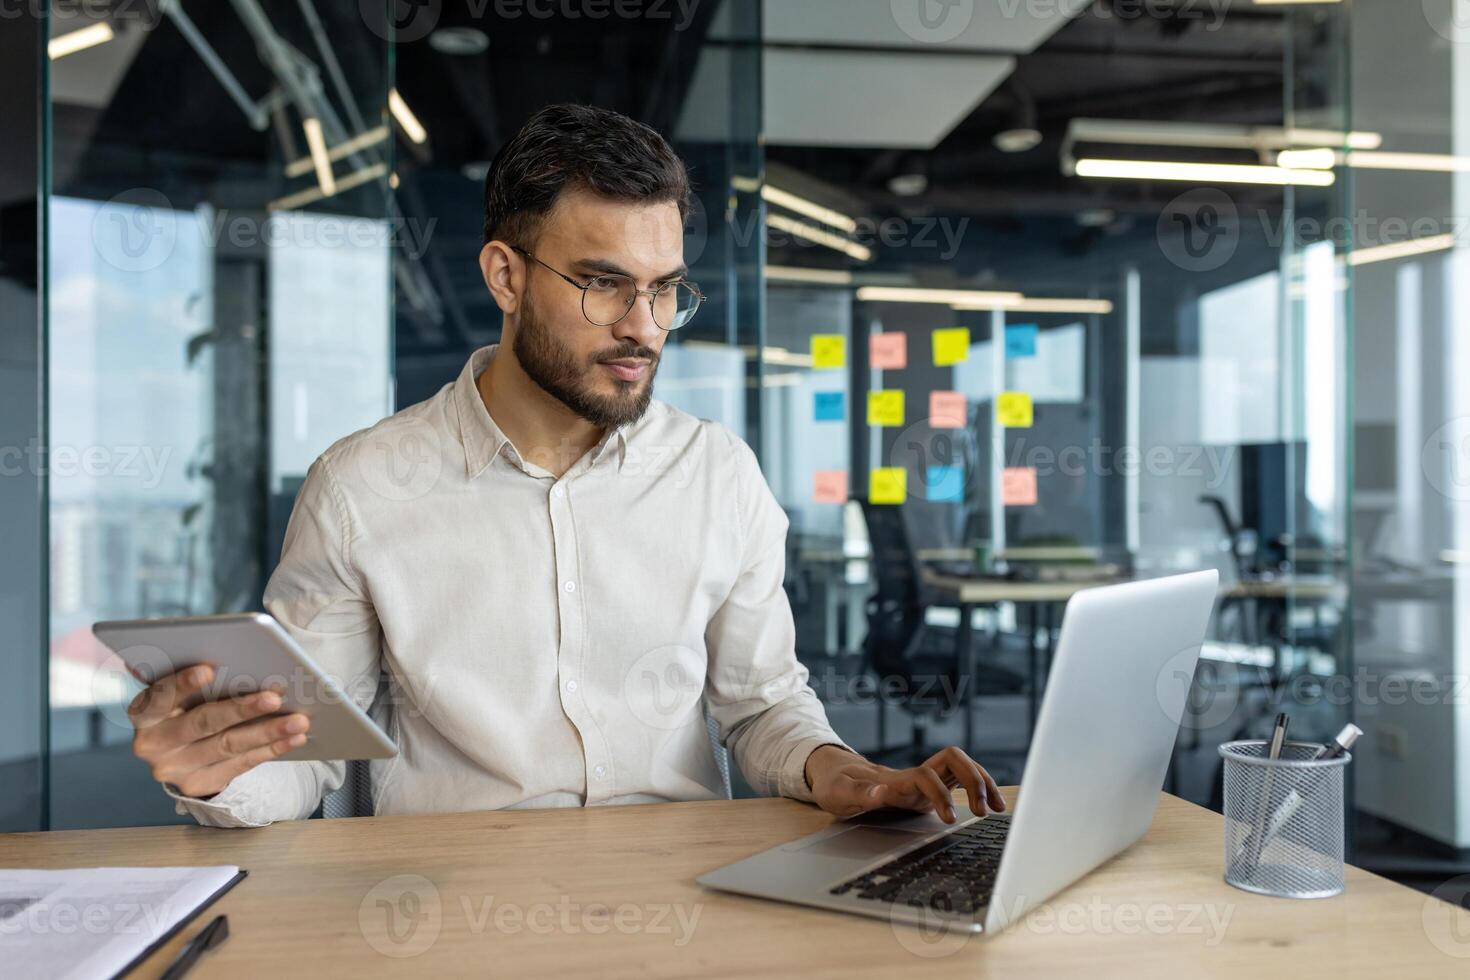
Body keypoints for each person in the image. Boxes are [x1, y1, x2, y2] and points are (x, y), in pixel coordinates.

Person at [127, 103, 1005, 828]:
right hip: (444, 913)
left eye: (665, 288)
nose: (644, 326)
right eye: (604, 283)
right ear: (506, 277)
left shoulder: (717, 475)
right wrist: (213, 773)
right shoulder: (361, 488)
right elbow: (304, 756)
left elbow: (762, 705)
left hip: (682, 906)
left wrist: (841, 770)